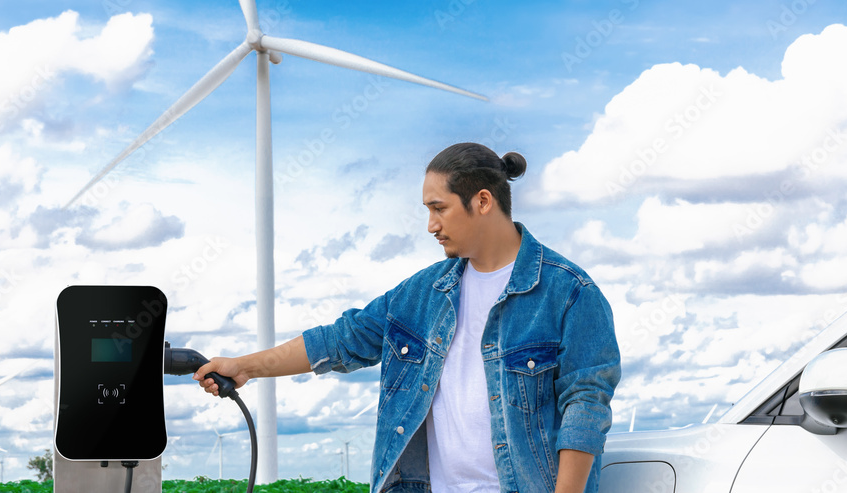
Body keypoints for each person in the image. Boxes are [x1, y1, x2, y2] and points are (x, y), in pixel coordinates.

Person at [195, 143, 621, 493]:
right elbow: (342, 340)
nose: (431, 225)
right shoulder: (421, 294)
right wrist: (244, 366)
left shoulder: (570, 293)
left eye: (439, 208)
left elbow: (585, 408)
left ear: (483, 201)